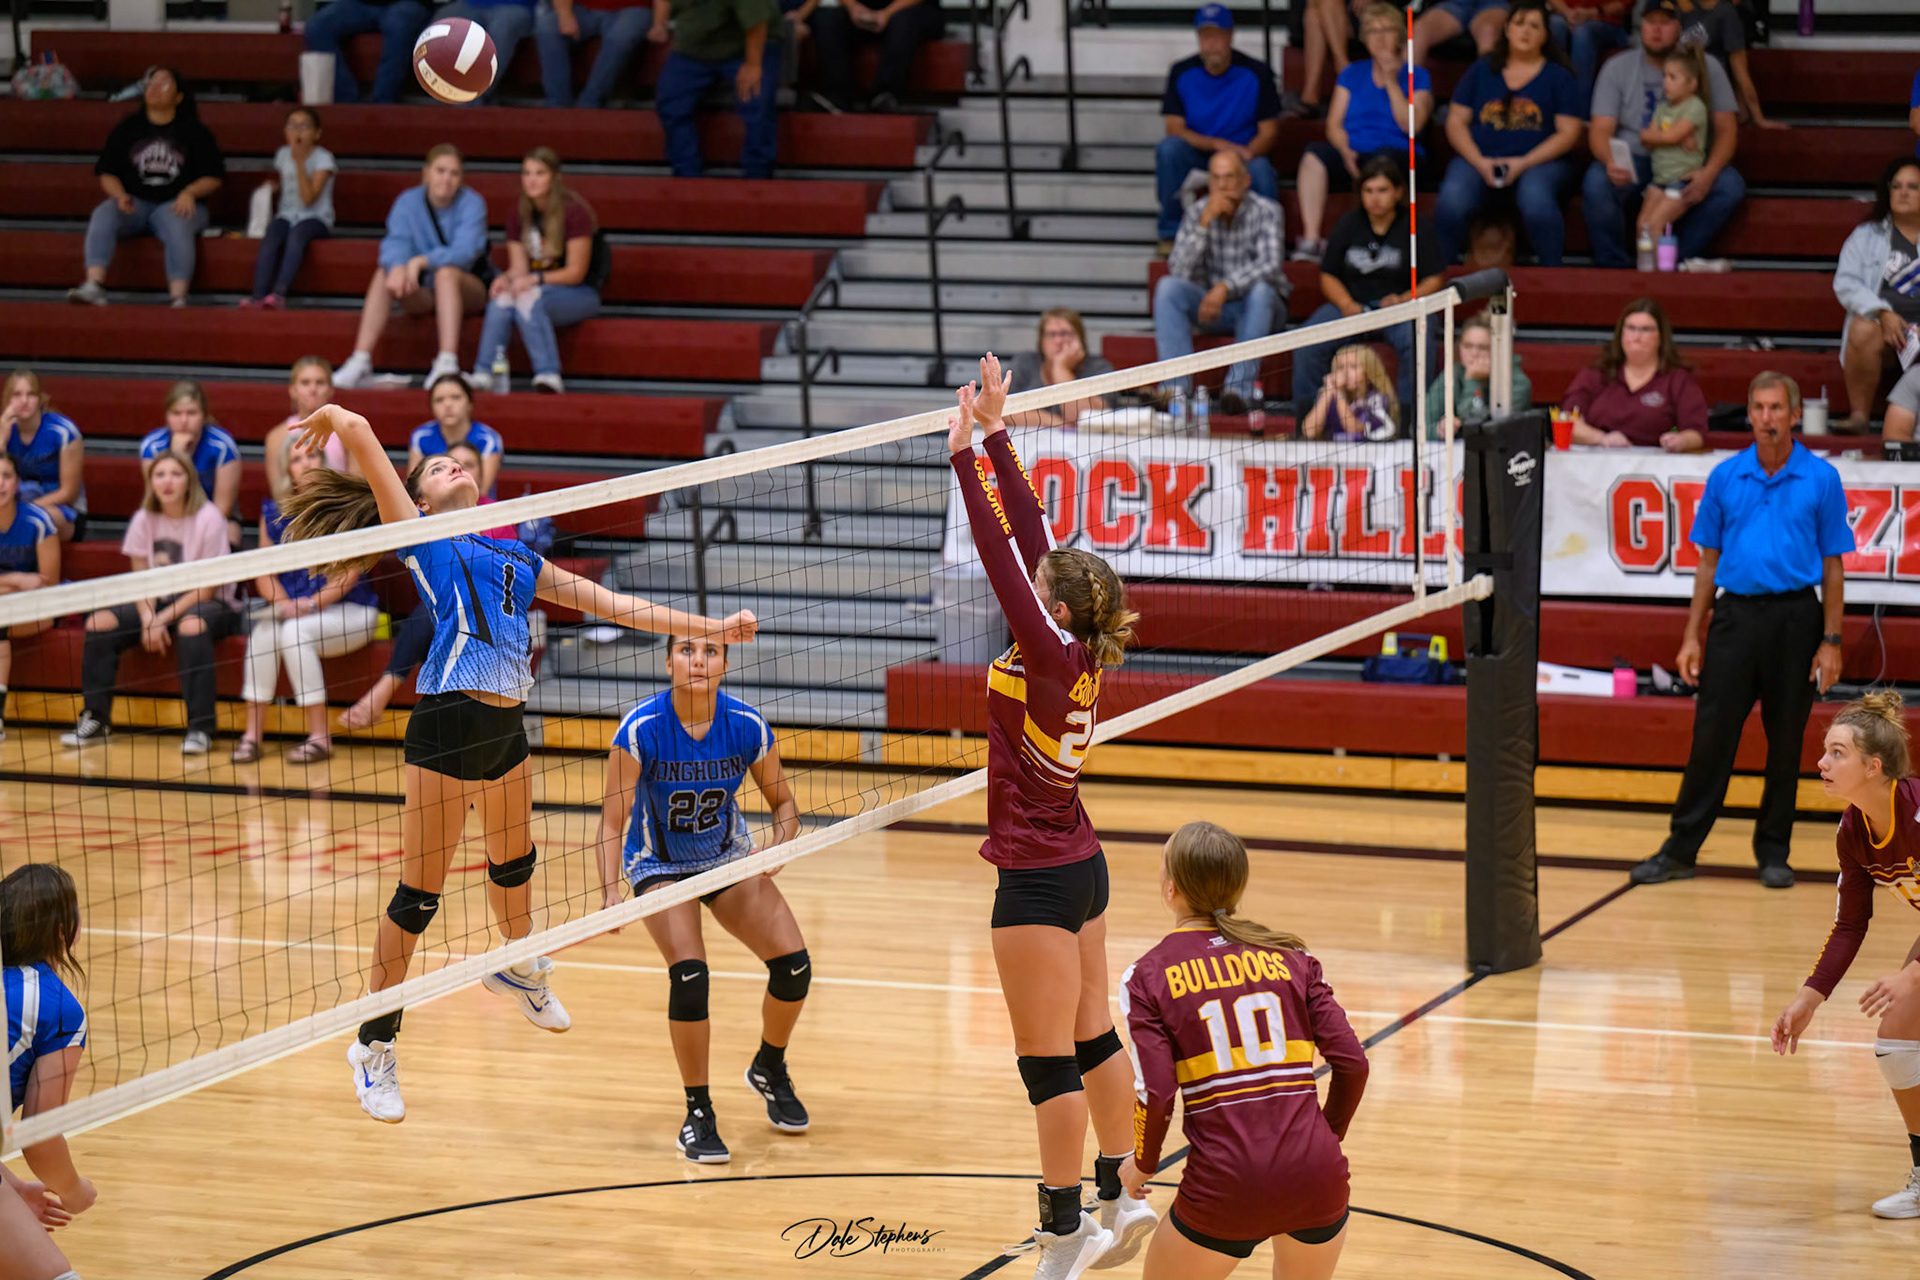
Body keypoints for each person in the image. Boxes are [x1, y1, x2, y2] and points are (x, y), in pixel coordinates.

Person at [282, 403, 756, 1124]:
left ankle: (517, 967)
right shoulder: (423, 536)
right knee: (418, 897)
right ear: (418, 500)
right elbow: (360, 434)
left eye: (458, 461)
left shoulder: (518, 558)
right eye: (437, 467)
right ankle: (373, 1045)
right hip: (447, 723)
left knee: (515, 868)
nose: (453, 464)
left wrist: (711, 627)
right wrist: (333, 416)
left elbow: (617, 605)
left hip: (505, 727)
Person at [947, 355, 1156, 1278]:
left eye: (1043, 588)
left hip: (1036, 877)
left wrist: (964, 459)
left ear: (1056, 606)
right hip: (1081, 862)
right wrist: (999, 431)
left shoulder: (1044, 650)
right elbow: (1034, 544)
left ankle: (1067, 1231)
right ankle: (1123, 1192)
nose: (1032, 587)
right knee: (1092, 1031)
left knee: (1046, 1062)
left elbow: (1005, 558)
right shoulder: (1081, 643)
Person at [1629, 372, 1855, 889]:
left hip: (1796, 618)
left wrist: (1832, 640)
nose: (1766, 417)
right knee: (1711, 737)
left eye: (1776, 408)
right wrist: (1692, 634)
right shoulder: (1726, 476)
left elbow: (1834, 566)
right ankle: (1680, 850)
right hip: (1734, 618)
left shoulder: (1820, 478)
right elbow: (1707, 563)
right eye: (1758, 408)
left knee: (1786, 741)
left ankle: (1774, 852)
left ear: (1794, 415)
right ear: (1749, 414)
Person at [1118, 821, 1368, 1280]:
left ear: (1171, 889)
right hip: (1317, 1176)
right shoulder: (1294, 958)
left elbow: (1157, 1092)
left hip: (1227, 1185)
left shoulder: (1146, 977)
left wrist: (1142, 1164)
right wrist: (1322, 1142)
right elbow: (1353, 1064)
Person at [594, 634, 806, 1163]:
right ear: (668, 661)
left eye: (710, 651)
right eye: (687, 650)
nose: (698, 660)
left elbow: (784, 804)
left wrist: (780, 843)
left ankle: (769, 1065)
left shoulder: (747, 725)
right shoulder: (640, 729)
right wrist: (608, 893)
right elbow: (611, 822)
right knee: (690, 975)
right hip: (659, 866)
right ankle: (698, 1113)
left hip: (726, 857)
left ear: (725, 664)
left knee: (795, 967)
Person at [1770, 693, 1920, 1217]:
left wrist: (1913, 974)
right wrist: (1808, 999)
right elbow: (1851, 924)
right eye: (1825, 751)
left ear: (1873, 767)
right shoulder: (1854, 830)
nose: (1821, 762)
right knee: (1897, 1040)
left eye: (1837, 753)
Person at [61, 453, 240, 754]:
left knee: (191, 625)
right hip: (157, 600)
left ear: (189, 482)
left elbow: (206, 589)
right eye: (160, 474)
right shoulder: (144, 518)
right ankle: (96, 718)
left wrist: (161, 619)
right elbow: (141, 579)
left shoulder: (209, 518)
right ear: (151, 482)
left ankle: (201, 728)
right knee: (98, 622)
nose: (167, 481)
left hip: (211, 602)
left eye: (176, 474)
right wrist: (148, 618)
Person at [232, 443, 381, 766]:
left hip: (352, 612)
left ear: (324, 462)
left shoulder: (342, 506)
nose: (305, 462)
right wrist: (285, 604)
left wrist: (310, 605)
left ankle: (319, 737)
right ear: (289, 470)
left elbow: (350, 574)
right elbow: (264, 572)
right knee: (264, 633)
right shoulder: (274, 513)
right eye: (297, 458)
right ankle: (252, 736)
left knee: (294, 633)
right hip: (296, 611)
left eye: (312, 455)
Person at [1581, 0, 1744, 269]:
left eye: (1665, 22)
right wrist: (1610, 161)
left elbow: (1727, 130)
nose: (1656, 30)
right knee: (1597, 182)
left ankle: (1675, 261)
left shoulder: (1706, 66)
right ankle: (1612, 268)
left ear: (1680, 26)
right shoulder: (1617, 67)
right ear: (1640, 26)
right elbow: (1599, 130)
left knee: (1730, 185)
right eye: (1650, 22)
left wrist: (1708, 173)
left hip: (1686, 162)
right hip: (1634, 159)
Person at [1433, 3, 1584, 268]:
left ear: (1545, 35)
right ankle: (1441, 273)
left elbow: (1569, 133)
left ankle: (1552, 272)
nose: (1525, 31)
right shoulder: (1482, 69)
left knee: (1535, 198)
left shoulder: (1558, 76)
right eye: (1519, 23)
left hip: (1539, 162)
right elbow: (1456, 121)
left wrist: (1524, 163)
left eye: (1534, 26)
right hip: (1480, 158)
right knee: (1453, 198)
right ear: (1506, 29)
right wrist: (1479, 161)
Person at [1290, 157, 1444, 411]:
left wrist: (1404, 299)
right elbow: (1328, 274)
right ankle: (1309, 418)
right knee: (1308, 340)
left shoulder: (1417, 226)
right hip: (1352, 307)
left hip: (1400, 309)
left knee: (1418, 338)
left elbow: (1435, 278)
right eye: (1368, 191)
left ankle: (1410, 419)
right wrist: (1345, 303)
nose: (1375, 198)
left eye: (1382, 190)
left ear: (1398, 192)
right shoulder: (1348, 224)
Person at [333, 145, 490, 391]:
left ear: (461, 178)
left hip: (467, 287)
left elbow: (465, 252)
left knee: (446, 273)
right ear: (426, 173)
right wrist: (397, 266)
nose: (446, 179)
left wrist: (422, 261)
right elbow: (396, 240)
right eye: (440, 171)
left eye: (454, 173)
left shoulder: (473, 203)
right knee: (384, 272)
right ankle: (360, 359)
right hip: (423, 291)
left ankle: (447, 361)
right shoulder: (408, 201)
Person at [67, 67, 224, 309]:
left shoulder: (195, 132)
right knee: (104, 213)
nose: (155, 88)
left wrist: (190, 192)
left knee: (179, 222)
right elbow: (107, 172)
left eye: (164, 83)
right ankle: (94, 284)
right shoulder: (128, 127)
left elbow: (213, 176)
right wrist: (119, 195)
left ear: (178, 97)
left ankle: (178, 297)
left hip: (176, 202)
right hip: (136, 203)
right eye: (151, 82)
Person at [1291, 4, 1433, 263]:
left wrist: (1391, 82)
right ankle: (1312, 240)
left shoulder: (1417, 75)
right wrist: (1344, 151)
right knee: (1313, 156)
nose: (1379, 37)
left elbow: (1411, 126)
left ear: (1399, 36)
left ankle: (1378, 241)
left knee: (1383, 161)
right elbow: (1334, 124)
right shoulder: (1351, 74)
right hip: (1354, 150)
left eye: (1386, 30)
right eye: (1372, 31)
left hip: (1398, 153)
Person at [3, 864, 96, 1240]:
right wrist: (74, 1191)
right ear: (63, 929)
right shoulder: (56, 1008)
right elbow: (39, 1134)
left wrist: (12, 1186)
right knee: (55, 1269)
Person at [1154, 151, 1287, 412]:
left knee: (1261, 292)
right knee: (1167, 288)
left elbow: (1270, 265)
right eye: (1215, 178)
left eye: (1229, 177)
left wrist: (1225, 288)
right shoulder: (1197, 212)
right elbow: (1178, 270)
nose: (1222, 185)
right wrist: (1203, 226)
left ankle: (1238, 390)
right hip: (1213, 309)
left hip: (1260, 309)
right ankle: (1175, 389)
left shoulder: (1268, 211)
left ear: (1246, 180)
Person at [472, 148, 601, 396]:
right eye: (527, 173)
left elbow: (576, 272)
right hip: (539, 288)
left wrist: (535, 279)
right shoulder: (518, 213)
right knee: (502, 299)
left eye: (540, 173)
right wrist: (505, 278)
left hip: (580, 292)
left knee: (528, 298)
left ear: (554, 177)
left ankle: (548, 373)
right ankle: (485, 372)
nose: (532, 180)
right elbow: (519, 268)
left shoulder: (574, 212)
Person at [1156, 5, 1282, 248]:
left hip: (1243, 155)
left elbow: (1269, 132)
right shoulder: (1181, 71)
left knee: (1261, 170)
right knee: (1169, 150)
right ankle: (1171, 233)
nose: (1211, 44)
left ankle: (1266, 240)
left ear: (1230, 36)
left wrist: (1244, 154)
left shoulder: (1257, 72)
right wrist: (1217, 145)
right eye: (1205, 36)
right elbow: (1174, 128)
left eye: (1218, 35)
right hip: (1198, 155)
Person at [1834, 159, 1920, 433]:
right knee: (1862, 329)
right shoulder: (1865, 236)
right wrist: (1882, 313)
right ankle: (1859, 416)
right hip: (1885, 330)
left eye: (1913, 187)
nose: (1903, 192)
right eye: (1897, 186)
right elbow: (1846, 283)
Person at [652, 0, 780, 181]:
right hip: (693, 48)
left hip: (745, 45)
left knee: (756, 100)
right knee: (670, 99)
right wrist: (659, 24)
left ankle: (758, 176)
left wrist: (753, 64)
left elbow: (756, 21)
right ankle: (686, 175)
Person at [1560, 299, 1708, 449]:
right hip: (1599, 456)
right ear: (1621, 333)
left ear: (1661, 336)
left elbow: (1696, 433)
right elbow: (1567, 422)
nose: (1636, 337)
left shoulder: (1678, 379)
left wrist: (1680, 441)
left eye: (1646, 330)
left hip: (1656, 460)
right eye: (1631, 328)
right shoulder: (1597, 373)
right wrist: (1601, 438)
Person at [244, 107, 336, 311]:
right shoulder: (282, 154)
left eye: (304, 126)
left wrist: (300, 162)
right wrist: (275, 187)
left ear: (317, 133)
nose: (297, 132)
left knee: (296, 236)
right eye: (292, 126)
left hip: (316, 217)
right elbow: (290, 185)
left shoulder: (324, 158)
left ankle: (279, 294)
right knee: (271, 236)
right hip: (287, 214)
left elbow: (308, 199)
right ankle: (258, 295)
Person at [0, 456, 60, 742]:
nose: (0, 483)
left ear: (17, 483)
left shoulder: (38, 521)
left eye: (6, 476)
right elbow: (28, 581)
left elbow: (47, 585)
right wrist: (16, 580)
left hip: (38, 610)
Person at [1633, 46, 1712, 251]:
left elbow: (1670, 136)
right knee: (1642, 226)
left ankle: (1662, 271)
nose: (1665, 82)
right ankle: (1646, 269)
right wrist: (1668, 138)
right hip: (1659, 178)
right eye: (1664, 76)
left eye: (1673, 77)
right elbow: (1645, 138)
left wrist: (1664, 137)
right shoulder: (1662, 109)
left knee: (1655, 225)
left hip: (1681, 180)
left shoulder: (1695, 106)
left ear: (1692, 83)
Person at [140, 380, 242, 535]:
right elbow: (156, 499)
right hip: (167, 518)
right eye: (176, 413)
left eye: (191, 413)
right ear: (166, 416)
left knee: (230, 532)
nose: (184, 421)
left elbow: (222, 510)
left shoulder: (223, 446)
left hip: (213, 521)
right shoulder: (152, 447)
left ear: (204, 415)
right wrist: (176, 455)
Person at [807, 0, 941, 113]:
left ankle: (886, 95)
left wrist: (887, 13)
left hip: (911, 9)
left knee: (904, 22)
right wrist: (853, 7)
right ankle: (836, 97)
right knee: (827, 18)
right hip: (866, 12)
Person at [1673, 0, 1784, 130]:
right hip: (1677, 89)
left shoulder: (1725, 12)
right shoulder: (1677, 8)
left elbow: (1740, 71)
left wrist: (1758, 118)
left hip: (1710, 92)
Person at [2, 369, 86, 542]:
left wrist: (25, 509)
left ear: (40, 399)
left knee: (37, 519)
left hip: (63, 512)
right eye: (17, 395)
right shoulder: (5, 430)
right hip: (14, 506)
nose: (24, 401)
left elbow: (69, 493)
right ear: (7, 400)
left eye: (31, 394)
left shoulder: (63, 431)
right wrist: (2, 440)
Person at [302, 0, 431, 105]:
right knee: (317, 27)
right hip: (360, 4)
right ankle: (346, 101)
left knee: (399, 25)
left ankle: (383, 102)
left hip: (407, 3)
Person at [1425, 312, 1533, 437]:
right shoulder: (1452, 374)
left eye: (1483, 347)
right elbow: (1419, 428)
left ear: (1499, 349)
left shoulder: (1518, 383)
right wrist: (1439, 430)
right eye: (1468, 346)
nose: (1474, 353)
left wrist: (1473, 381)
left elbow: (1479, 432)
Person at [1006, 308, 1117, 428]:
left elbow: (1082, 418)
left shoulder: (1100, 369)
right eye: (1051, 334)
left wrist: (1061, 369)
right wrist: (1050, 420)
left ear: (1080, 338)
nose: (1058, 340)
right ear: (1041, 341)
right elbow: (999, 411)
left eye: (1065, 333)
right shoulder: (1024, 363)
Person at [265, 358, 353, 503]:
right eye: (305, 383)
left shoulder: (347, 432)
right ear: (293, 390)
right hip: (295, 511)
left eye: (320, 382)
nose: (313, 389)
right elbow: (280, 494)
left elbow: (356, 488)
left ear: (331, 390)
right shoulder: (276, 437)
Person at [536, 0, 654, 108]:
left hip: (634, 8)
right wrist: (565, 16)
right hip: (583, 8)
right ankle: (557, 104)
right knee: (548, 27)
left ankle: (590, 102)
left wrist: (659, 23)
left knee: (621, 36)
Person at [411, 374, 504, 497]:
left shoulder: (487, 439)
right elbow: (415, 488)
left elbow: (482, 491)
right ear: (431, 407)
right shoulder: (421, 436)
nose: (448, 404)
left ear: (470, 403)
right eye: (439, 400)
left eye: (456, 397)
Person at [431, 0, 535, 103]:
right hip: (471, 4)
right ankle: (440, 93)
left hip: (517, 6)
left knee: (502, 26)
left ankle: (471, 96)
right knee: (442, 23)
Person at [1300, 343, 1399, 441]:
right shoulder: (1332, 400)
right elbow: (1309, 432)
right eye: (1340, 367)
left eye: (1353, 367)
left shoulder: (1377, 399)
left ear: (1368, 372)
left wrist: (1339, 394)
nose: (1345, 373)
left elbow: (1354, 429)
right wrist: (1328, 392)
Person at [1545, 0, 1627, 103]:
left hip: (1605, 20)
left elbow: (1624, 4)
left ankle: (1578, 105)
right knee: (1554, 24)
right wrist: (1567, 13)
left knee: (1582, 32)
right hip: (1566, 15)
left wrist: (1591, 13)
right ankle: (1549, 100)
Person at [1411, 0, 1507, 66]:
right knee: (1418, 30)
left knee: (1488, 33)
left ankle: (1486, 88)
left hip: (1494, 3)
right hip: (1455, 3)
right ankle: (1407, 87)